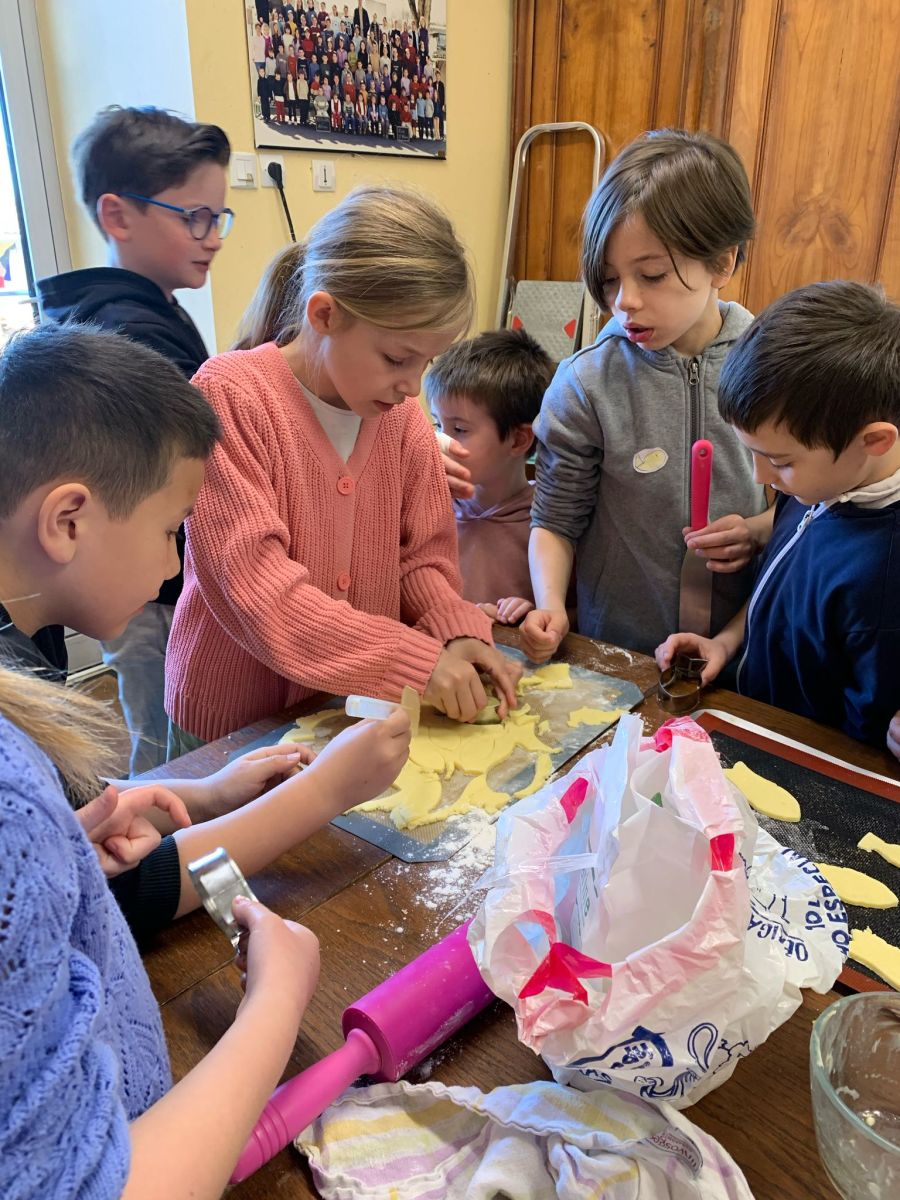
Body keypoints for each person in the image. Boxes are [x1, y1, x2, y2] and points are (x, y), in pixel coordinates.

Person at [0, 322, 410, 943]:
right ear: (67, 522)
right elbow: (123, 893)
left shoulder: (28, 631)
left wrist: (207, 793)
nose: (174, 566)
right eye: (171, 531)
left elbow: (75, 808)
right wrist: (324, 793)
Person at [165, 186, 521, 752]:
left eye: (427, 362)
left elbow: (421, 560)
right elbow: (259, 595)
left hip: (345, 710)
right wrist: (414, 661)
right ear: (325, 315)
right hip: (232, 725)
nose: (412, 386)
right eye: (397, 358)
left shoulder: (402, 420)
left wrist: (454, 630)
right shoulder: (230, 397)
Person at [522, 128, 769, 663]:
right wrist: (551, 604)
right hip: (621, 655)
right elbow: (555, 520)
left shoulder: (772, 363)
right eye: (610, 279)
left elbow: (811, 505)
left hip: (746, 650)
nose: (624, 301)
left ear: (722, 263)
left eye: (652, 275)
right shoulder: (587, 383)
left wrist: (758, 530)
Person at [36, 106, 232, 776]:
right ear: (118, 216)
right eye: (195, 217)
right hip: (147, 591)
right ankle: (162, 815)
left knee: (155, 712)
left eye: (219, 217)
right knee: (166, 725)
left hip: (145, 577)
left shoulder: (148, 308)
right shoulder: (130, 333)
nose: (213, 238)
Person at [657, 281, 900, 749]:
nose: (761, 477)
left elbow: (865, 744)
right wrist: (726, 643)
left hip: (797, 757)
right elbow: (779, 586)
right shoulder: (821, 484)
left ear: (873, 441)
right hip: (752, 713)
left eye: (780, 461)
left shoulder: (884, 576)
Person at [426, 329, 555, 623]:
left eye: (459, 429)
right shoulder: (427, 508)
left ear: (518, 440)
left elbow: (572, 614)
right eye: (437, 425)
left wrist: (532, 614)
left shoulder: (549, 524)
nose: (440, 442)